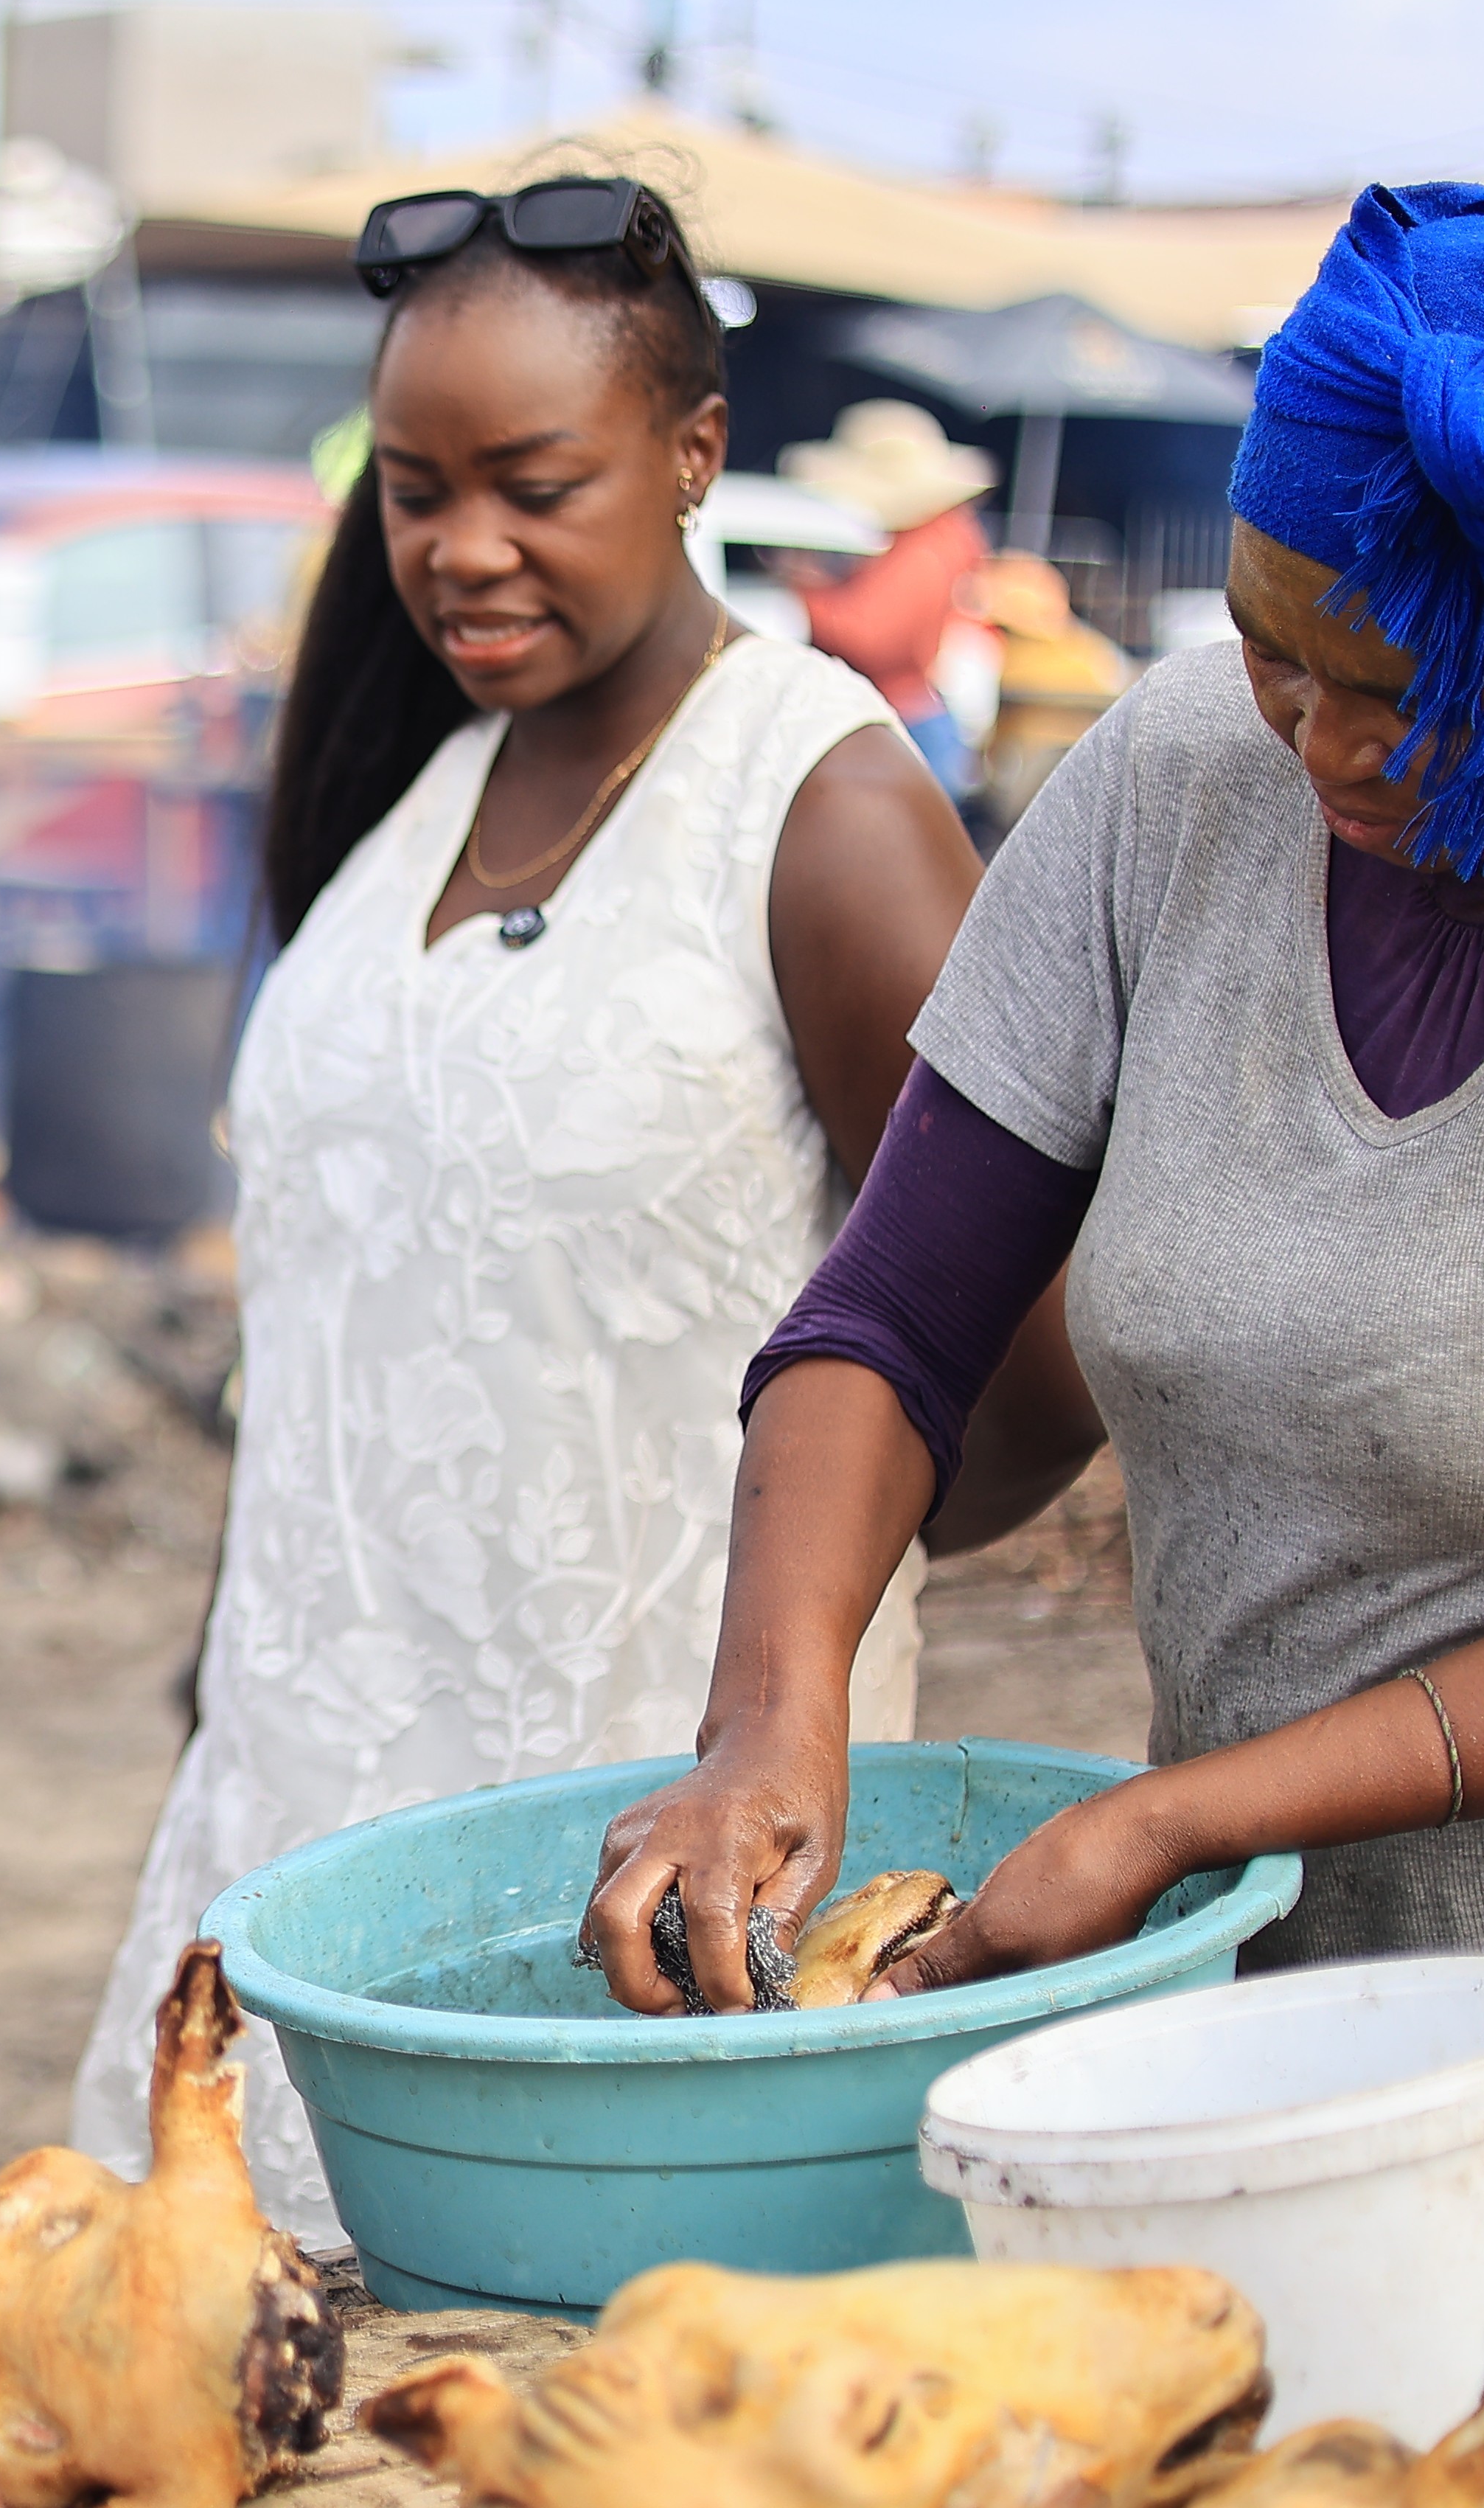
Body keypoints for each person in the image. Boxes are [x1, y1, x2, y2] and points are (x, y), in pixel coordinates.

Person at [591, 182, 1484, 2187]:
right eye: (1269, 648)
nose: (1312, 738)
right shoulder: (1178, 778)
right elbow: (893, 1320)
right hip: (1248, 2048)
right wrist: (772, 1721)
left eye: (1401, 696)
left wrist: (1187, 1815)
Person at [71, 177, 1102, 2234]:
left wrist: (785, 1622)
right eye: (417, 491)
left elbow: (1034, 1375)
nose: (465, 551)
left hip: (628, 1870)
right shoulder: (420, 789)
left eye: (535, 485)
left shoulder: (823, 817)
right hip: (289, 1815)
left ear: (696, 457)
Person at [784, 399, 1002, 803]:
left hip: (903, 721)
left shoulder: (923, 547)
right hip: (911, 719)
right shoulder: (939, 540)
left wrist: (805, 595)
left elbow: (874, 636)